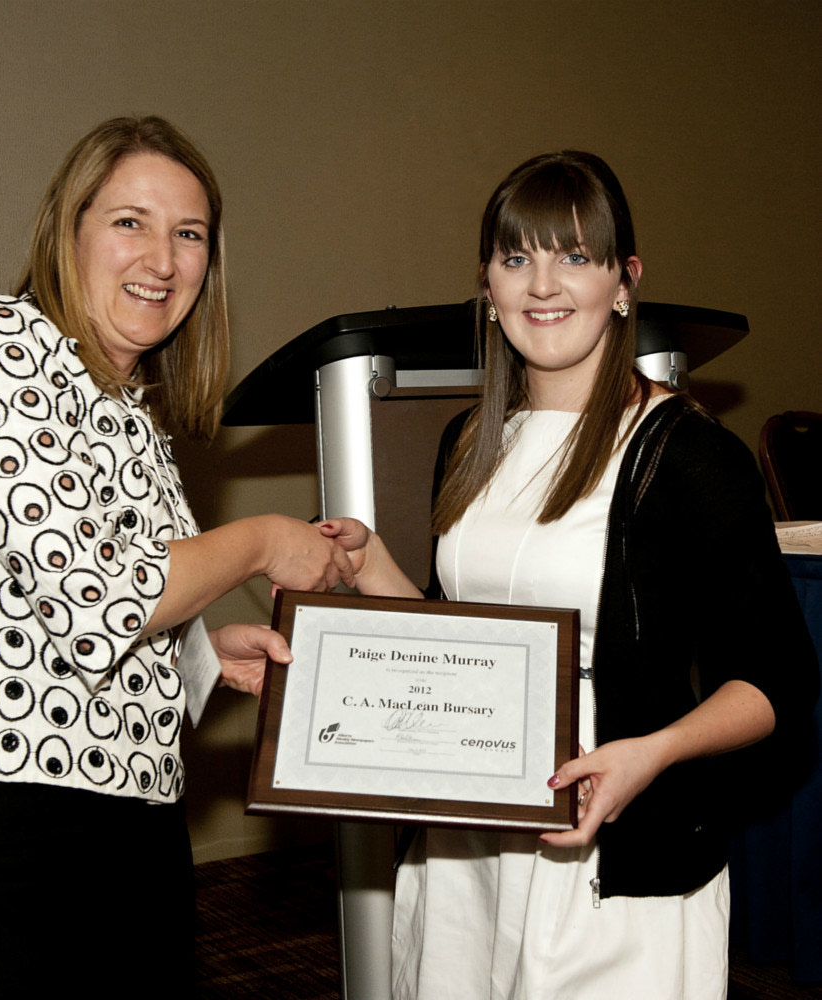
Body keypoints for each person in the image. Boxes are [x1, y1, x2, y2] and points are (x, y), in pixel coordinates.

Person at [0, 116, 355, 999]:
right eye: (131, 222)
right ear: (70, 230)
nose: (161, 260)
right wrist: (264, 539)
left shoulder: (131, 413)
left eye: (189, 234)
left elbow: (93, 614)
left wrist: (204, 654)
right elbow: (100, 602)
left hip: (135, 822)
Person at [322, 151, 818, 999]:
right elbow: (459, 645)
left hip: (613, 843)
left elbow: (777, 680)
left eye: (575, 256)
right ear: (487, 287)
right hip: (468, 841)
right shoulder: (469, 442)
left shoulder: (687, 454)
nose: (542, 285)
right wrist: (370, 564)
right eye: (516, 258)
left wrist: (651, 755)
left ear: (624, 282)